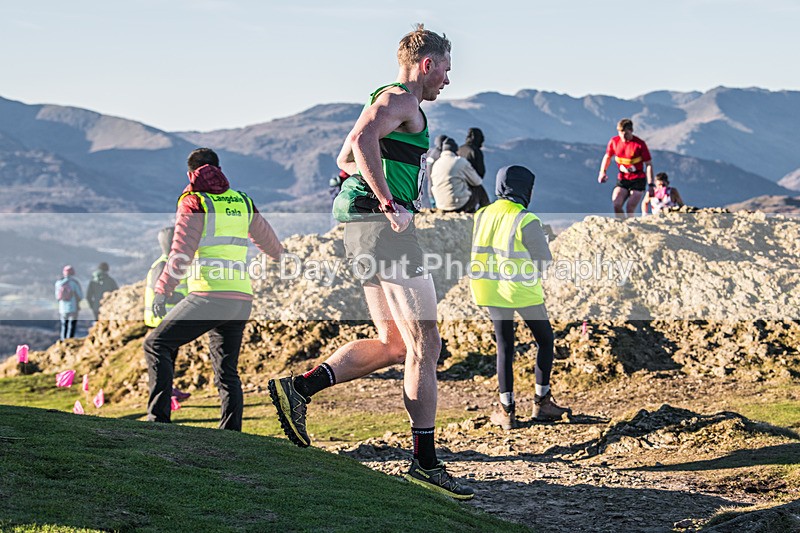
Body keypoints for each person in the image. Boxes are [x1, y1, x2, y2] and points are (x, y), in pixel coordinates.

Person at [269, 24, 474, 500]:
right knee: (427, 340)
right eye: (445, 68)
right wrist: (388, 202)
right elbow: (360, 143)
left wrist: (378, 197)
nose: (447, 79)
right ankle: (425, 464)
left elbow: (345, 154)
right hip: (382, 228)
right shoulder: (403, 99)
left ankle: (300, 389)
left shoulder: (388, 100)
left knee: (395, 343)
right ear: (427, 64)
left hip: (362, 229)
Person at [144, 148, 284, 431]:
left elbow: (181, 249)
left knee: (156, 344)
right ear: (219, 168)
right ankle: (231, 432)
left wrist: (164, 289)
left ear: (190, 173)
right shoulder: (242, 200)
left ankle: (158, 422)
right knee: (226, 370)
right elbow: (273, 246)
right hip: (241, 298)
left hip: (208, 294)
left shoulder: (194, 200)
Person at [470, 165, 570, 430]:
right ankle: (542, 402)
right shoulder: (525, 219)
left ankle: (506, 411)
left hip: (489, 289)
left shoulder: (482, 214)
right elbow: (543, 260)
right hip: (521, 291)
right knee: (545, 340)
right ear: (525, 189)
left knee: (505, 347)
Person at [144, 226, 191, 402]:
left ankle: (169, 390)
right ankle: (164, 395)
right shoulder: (164, 265)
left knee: (168, 361)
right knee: (163, 362)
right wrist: (187, 299)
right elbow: (162, 294)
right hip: (162, 320)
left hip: (168, 320)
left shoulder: (166, 263)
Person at [598, 118, 655, 218]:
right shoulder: (614, 142)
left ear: (631, 131)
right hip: (623, 178)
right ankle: (622, 224)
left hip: (638, 179)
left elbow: (649, 164)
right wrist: (602, 172)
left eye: (626, 134)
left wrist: (651, 184)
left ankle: (631, 227)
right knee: (616, 204)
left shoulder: (639, 144)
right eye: (620, 133)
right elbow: (607, 156)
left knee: (630, 208)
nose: (623, 137)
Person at [430, 138, 483, 212]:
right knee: (478, 188)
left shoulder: (436, 164)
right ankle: (486, 209)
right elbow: (477, 181)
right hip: (458, 205)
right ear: (455, 150)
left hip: (440, 204)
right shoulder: (460, 161)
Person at [457, 127, 490, 208]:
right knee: (485, 203)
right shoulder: (475, 151)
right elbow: (480, 171)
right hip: (472, 182)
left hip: (458, 182)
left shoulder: (460, 149)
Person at [55, 265, 83, 340]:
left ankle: (63, 340)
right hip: (73, 307)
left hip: (62, 308)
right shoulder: (74, 282)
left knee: (64, 324)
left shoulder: (58, 283)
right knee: (72, 325)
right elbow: (80, 296)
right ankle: (69, 340)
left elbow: (57, 296)